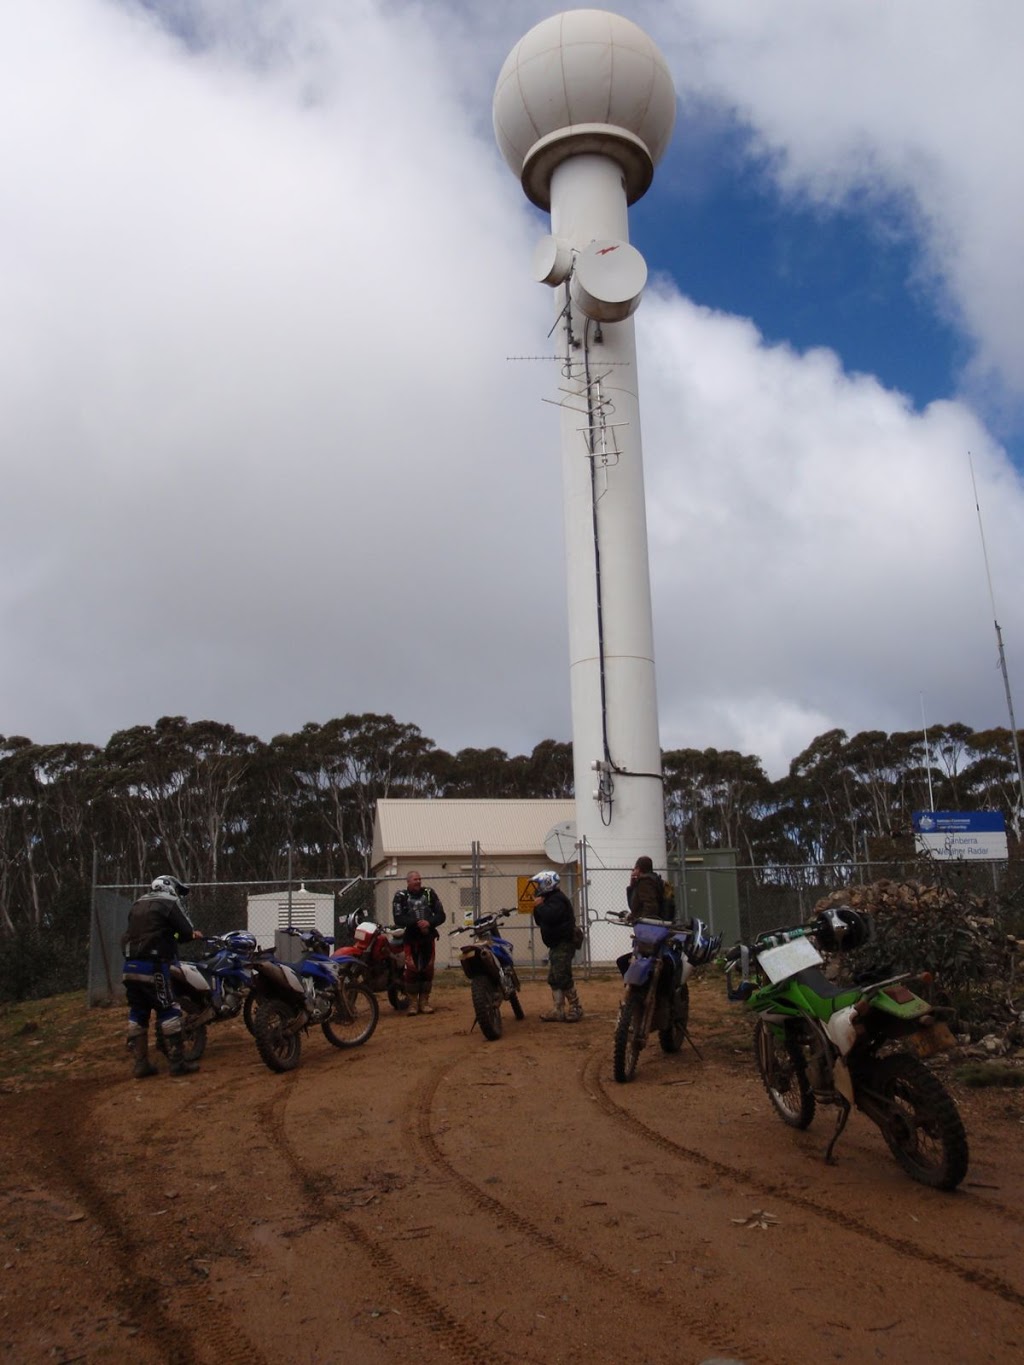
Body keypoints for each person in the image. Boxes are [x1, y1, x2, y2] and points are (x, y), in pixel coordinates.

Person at [121, 875, 203, 1078]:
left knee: (138, 1012)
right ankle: (177, 1063)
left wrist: (170, 934)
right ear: (171, 887)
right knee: (169, 1009)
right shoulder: (169, 902)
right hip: (154, 965)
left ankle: (141, 1064)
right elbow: (185, 932)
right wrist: (185, 936)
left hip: (130, 966)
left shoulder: (138, 903)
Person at [531, 869, 583, 1022]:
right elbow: (540, 920)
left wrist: (539, 906)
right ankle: (558, 1009)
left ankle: (576, 1007)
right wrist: (537, 907)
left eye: (540, 884)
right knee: (554, 978)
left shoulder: (557, 899)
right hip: (555, 944)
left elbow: (550, 916)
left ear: (548, 884)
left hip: (564, 943)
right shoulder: (548, 900)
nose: (537, 888)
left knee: (562, 975)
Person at [392, 870, 446, 1014]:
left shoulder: (429, 893)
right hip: (411, 938)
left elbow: (441, 915)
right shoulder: (400, 896)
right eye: (415, 879)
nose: (418, 882)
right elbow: (398, 918)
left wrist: (429, 922)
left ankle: (425, 1002)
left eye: (419, 879)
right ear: (408, 881)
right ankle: (413, 1004)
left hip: (428, 937)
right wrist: (417, 923)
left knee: (428, 970)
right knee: (411, 970)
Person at [625, 856, 671, 923]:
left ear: (638, 868)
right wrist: (632, 886)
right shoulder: (654, 880)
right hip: (655, 922)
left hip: (648, 924)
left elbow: (650, 905)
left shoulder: (645, 882)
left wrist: (643, 920)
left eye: (634, 869)